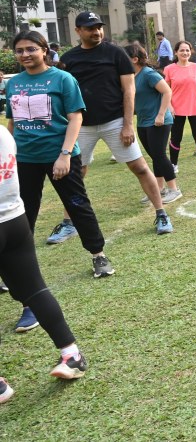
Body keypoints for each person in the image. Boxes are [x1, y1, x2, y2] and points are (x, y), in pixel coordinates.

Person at [6, 31, 115, 334]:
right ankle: (17, 275)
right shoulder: (13, 83)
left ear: (44, 50)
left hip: (61, 155)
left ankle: (98, 255)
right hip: (25, 159)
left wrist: (65, 154)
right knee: (23, 216)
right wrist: (9, 155)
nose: (25, 55)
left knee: (77, 205)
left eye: (31, 49)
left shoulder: (62, 79)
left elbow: (75, 117)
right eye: (19, 50)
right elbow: (13, 122)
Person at [46, 12, 167, 245]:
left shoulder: (116, 53)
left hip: (115, 122)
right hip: (82, 125)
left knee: (140, 167)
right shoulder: (69, 59)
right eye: (90, 28)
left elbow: (129, 90)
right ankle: (69, 223)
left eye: (99, 27)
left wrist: (127, 124)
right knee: (75, 174)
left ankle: (161, 214)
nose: (97, 31)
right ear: (78, 31)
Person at [0, 123, 89, 402]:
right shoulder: (3, 133)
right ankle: (72, 355)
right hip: (14, 220)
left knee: (35, 290)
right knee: (36, 290)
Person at [125, 44, 179, 232]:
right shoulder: (132, 76)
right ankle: (159, 189)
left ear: (134, 59)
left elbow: (167, 91)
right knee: (154, 156)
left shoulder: (148, 74)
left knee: (159, 155)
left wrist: (161, 114)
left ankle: (174, 189)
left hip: (159, 121)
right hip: (143, 122)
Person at [163, 40, 196, 174]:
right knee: (176, 137)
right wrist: (169, 107)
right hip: (176, 109)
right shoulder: (169, 69)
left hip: (195, 106)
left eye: (187, 50)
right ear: (176, 52)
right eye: (182, 50)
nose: (185, 53)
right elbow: (166, 90)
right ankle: (173, 164)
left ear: (191, 52)